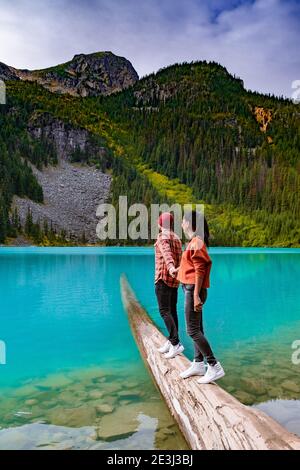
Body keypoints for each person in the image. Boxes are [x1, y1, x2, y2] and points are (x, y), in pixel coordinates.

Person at [177, 210, 225, 384]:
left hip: (193, 290)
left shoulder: (196, 242)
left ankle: (214, 366)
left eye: (183, 221)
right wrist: (179, 271)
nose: (181, 224)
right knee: (198, 328)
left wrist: (196, 295)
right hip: (190, 288)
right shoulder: (194, 242)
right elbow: (191, 266)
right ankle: (198, 363)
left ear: (190, 223)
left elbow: (200, 269)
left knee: (192, 330)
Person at [155, 212, 184, 359]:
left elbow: (167, 254)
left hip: (163, 278)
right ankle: (171, 340)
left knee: (164, 311)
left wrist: (171, 267)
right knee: (172, 311)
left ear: (160, 224)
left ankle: (175, 343)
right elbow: (181, 256)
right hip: (174, 281)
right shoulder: (177, 238)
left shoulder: (162, 236)